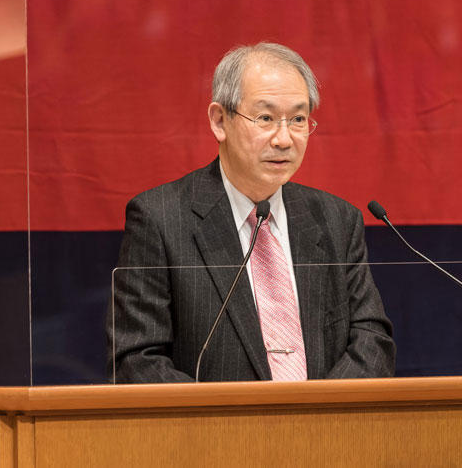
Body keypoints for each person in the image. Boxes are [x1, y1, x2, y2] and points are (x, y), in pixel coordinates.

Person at [108, 42, 395, 383]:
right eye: (265, 118)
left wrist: (318, 410)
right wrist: (238, 415)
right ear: (219, 121)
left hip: (324, 417)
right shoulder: (160, 219)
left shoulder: (337, 219)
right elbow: (137, 360)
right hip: (217, 419)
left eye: (298, 119)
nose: (284, 139)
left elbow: (372, 341)